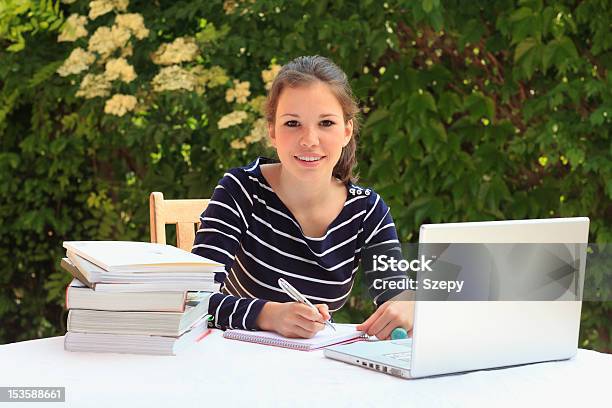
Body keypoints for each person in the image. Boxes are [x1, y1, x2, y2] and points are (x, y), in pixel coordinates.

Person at [192, 55, 413, 339]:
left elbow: (396, 293)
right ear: (272, 131)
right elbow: (195, 299)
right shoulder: (241, 189)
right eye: (293, 123)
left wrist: (409, 306)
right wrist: (268, 315)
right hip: (240, 363)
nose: (309, 139)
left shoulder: (366, 210)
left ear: (347, 131)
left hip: (317, 370)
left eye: (326, 123)